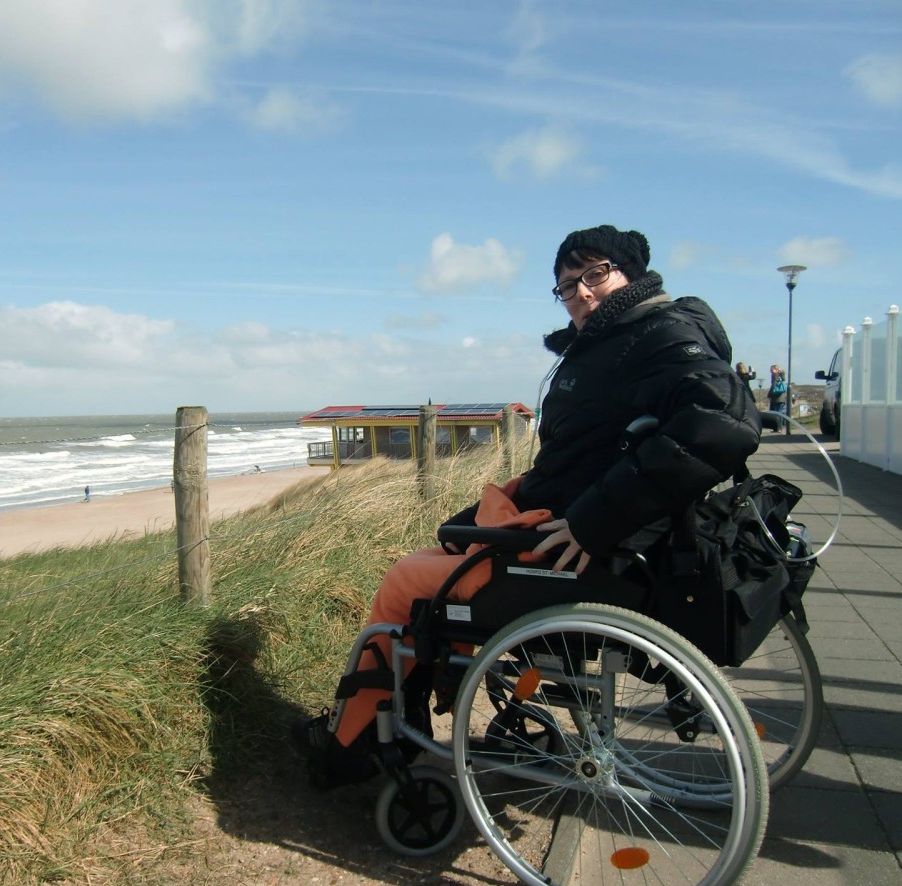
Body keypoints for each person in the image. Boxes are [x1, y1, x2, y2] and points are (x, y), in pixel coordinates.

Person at [294, 224, 761, 788]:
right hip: (589, 533)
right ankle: (415, 705)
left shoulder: (654, 335)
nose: (581, 293)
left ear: (630, 274)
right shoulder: (629, 338)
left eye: (595, 274)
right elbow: (583, 457)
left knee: (404, 582)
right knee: (445, 550)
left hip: (582, 553)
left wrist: (593, 522)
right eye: (567, 285)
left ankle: (349, 744)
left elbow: (722, 425)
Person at [768, 364, 787, 428]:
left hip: (776, 397)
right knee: (780, 412)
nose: (771, 371)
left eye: (772, 369)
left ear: (775, 369)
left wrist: (770, 394)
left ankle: (777, 427)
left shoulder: (775, 375)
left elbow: (773, 385)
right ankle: (780, 426)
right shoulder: (781, 375)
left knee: (776, 413)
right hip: (782, 397)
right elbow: (784, 378)